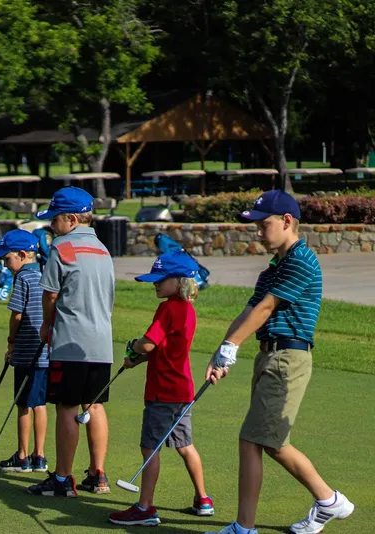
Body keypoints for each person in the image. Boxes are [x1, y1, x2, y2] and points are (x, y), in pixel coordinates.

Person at [205, 190, 354, 534]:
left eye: (263, 224)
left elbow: (267, 307)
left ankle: (246, 528)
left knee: (254, 439)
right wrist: (222, 352)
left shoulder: (302, 260)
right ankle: (330, 501)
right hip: (269, 355)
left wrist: (231, 345)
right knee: (269, 441)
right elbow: (248, 312)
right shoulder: (273, 268)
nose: (258, 232)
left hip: (289, 357)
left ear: (287, 221)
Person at [108, 251, 214, 527]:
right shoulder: (188, 309)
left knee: (150, 448)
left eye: (160, 280)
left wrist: (134, 347)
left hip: (162, 392)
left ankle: (145, 507)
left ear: (179, 281)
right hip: (181, 391)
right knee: (185, 446)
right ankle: (203, 499)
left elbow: (148, 343)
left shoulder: (167, 308)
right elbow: (161, 348)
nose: (155, 284)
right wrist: (139, 359)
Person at [26, 186, 115, 497]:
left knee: (66, 407)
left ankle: (63, 479)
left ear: (71, 219)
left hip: (70, 340)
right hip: (102, 343)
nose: (52, 225)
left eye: (55, 219)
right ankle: (97, 474)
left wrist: (47, 324)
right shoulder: (104, 249)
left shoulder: (61, 248)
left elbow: (49, 294)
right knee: (96, 405)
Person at [0, 230, 50, 473]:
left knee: (23, 404)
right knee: (40, 403)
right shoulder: (44, 276)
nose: (5, 264)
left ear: (22, 255)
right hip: (44, 352)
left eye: (7, 259)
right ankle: (39, 456)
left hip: (25, 350)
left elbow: (17, 315)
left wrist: (11, 342)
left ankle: (22, 456)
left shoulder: (22, 278)